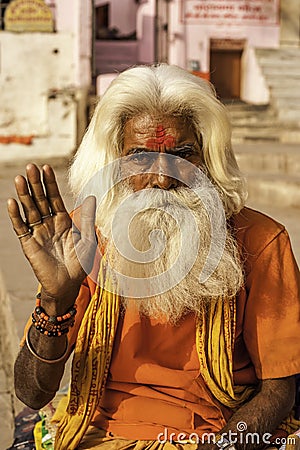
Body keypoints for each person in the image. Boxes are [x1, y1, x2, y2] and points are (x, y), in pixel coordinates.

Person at [8, 64, 300, 450]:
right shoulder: (85, 238)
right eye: (140, 157)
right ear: (115, 163)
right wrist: (55, 298)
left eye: (182, 155)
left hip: (220, 435)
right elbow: (32, 393)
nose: (163, 179)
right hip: (97, 433)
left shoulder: (261, 241)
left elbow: (279, 391)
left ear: (207, 160)